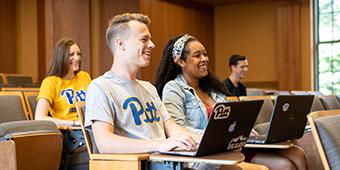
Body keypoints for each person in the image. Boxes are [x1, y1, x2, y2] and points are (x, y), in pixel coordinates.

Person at [84, 13, 266, 170]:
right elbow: (105, 143)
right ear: (121, 44)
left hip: (172, 160)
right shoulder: (100, 87)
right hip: (147, 163)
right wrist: (161, 145)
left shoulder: (148, 88)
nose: (153, 45)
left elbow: (173, 129)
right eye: (144, 39)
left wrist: (222, 135)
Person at [155, 34, 307, 170]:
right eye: (197, 55)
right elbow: (179, 131)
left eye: (205, 54)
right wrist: (220, 137)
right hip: (206, 155)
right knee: (284, 166)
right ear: (180, 61)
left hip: (233, 146)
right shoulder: (173, 88)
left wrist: (244, 129)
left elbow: (231, 123)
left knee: (297, 153)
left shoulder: (212, 88)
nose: (205, 59)